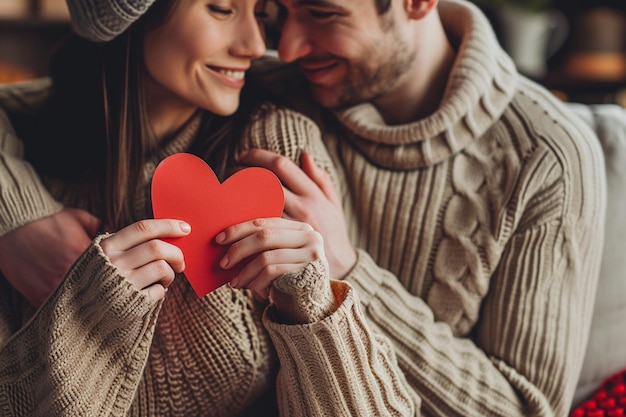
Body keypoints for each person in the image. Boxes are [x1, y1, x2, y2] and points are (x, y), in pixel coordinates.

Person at [0, 0, 607, 416]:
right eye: (277, 11)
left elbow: (523, 408)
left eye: (320, 11)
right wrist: (15, 215)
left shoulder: (547, 156)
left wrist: (346, 272)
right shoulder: (273, 80)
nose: (277, 46)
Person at [0, 0, 417, 416]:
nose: (256, 45)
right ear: (133, 19)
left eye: (260, 13)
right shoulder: (23, 161)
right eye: (221, 9)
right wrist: (86, 320)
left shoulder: (275, 154)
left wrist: (313, 306)